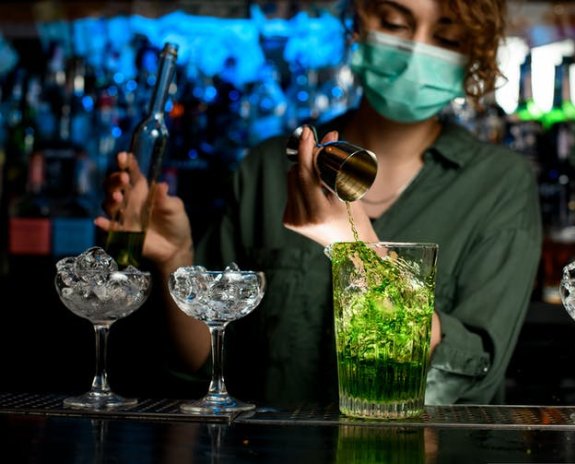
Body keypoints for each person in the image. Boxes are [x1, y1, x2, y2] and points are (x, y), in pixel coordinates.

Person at [98, 0, 541, 407]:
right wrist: (175, 259)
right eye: (394, 24)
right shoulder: (269, 169)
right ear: (358, 25)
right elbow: (203, 363)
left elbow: (468, 379)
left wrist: (353, 243)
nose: (415, 52)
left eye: (446, 37)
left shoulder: (500, 185)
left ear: (473, 56)